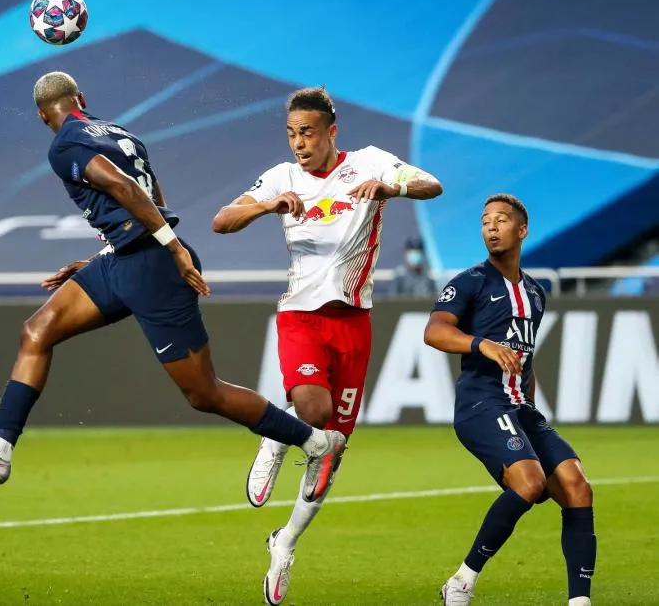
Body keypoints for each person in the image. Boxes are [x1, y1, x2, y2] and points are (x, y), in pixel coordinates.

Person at [0, 72, 346, 498]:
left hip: (153, 266)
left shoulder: (65, 144)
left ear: (42, 116)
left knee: (204, 394)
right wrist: (108, 253)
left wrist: (172, 247)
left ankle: (317, 443)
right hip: (124, 259)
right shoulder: (119, 133)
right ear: (81, 98)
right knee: (37, 331)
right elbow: (151, 197)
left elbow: (124, 187)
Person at [212, 87, 443, 605]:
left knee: (331, 455)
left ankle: (285, 543)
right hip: (302, 316)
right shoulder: (281, 177)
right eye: (292, 134)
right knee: (312, 410)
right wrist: (267, 205)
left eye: (308, 133)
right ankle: (275, 439)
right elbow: (221, 221)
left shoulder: (369, 162)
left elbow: (432, 185)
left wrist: (390, 187)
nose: (299, 143)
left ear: (331, 132)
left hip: (354, 323)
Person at [424, 194, 595, 606]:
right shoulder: (470, 282)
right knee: (530, 483)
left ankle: (579, 600)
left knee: (577, 486)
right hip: (481, 404)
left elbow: (525, 361)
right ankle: (462, 581)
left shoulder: (535, 293)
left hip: (521, 408)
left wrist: (530, 410)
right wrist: (480, 343)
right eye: (485, 221)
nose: (491, 227)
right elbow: (434, 331)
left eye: (500, 220)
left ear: (521, 230)